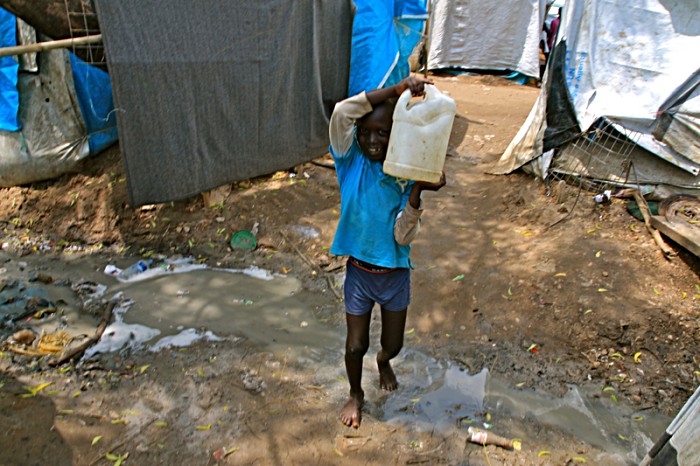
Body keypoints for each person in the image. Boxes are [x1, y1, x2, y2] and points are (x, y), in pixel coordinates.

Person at [328, 75, 447, 429]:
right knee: (354, 345)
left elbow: (402, 236)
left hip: (394, 275)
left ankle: (383, 361)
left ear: (396, 134)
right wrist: (395, 92)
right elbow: (342, 112)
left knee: (392, 345)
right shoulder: (349, 163)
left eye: (382, 132)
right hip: (359, 274)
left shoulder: (404, 174)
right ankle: (355, 393)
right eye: (365, 132)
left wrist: (418, 190)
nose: (372, 140)